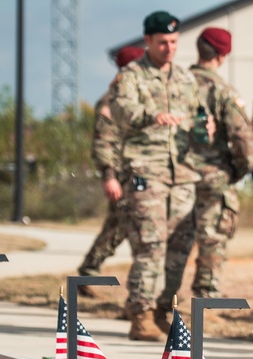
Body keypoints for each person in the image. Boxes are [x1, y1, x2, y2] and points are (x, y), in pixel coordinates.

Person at [111, 11, 209, 341]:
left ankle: (162, 309)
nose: (169, 48)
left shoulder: (185, 77)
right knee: (150, 244)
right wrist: (152, 115)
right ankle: (139, 311)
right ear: (148, 41)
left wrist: (205, 126)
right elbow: (121, 109)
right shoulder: (131, 76)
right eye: (162, 42)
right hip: (146, 170)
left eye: (173, 42)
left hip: (182, 173)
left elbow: (198, 114)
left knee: (180, 245)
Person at [158, 27, 253, 311]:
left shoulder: (174, 85)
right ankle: (205, 304)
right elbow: (242, 139)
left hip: (177, 176)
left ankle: (163, 301)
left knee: (176, 241)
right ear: (223, 55)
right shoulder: (223, 92)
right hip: (214, 177)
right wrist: (237, 171)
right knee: (212, 239)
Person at [76, 46, 146, 298]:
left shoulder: (136, 97)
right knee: (135, 230)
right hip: (121, 176)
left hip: (137, 173)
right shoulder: (110, 101)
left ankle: (87, 272)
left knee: (117, 228)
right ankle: (140, 293)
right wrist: (109, 176)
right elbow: (102, 142)